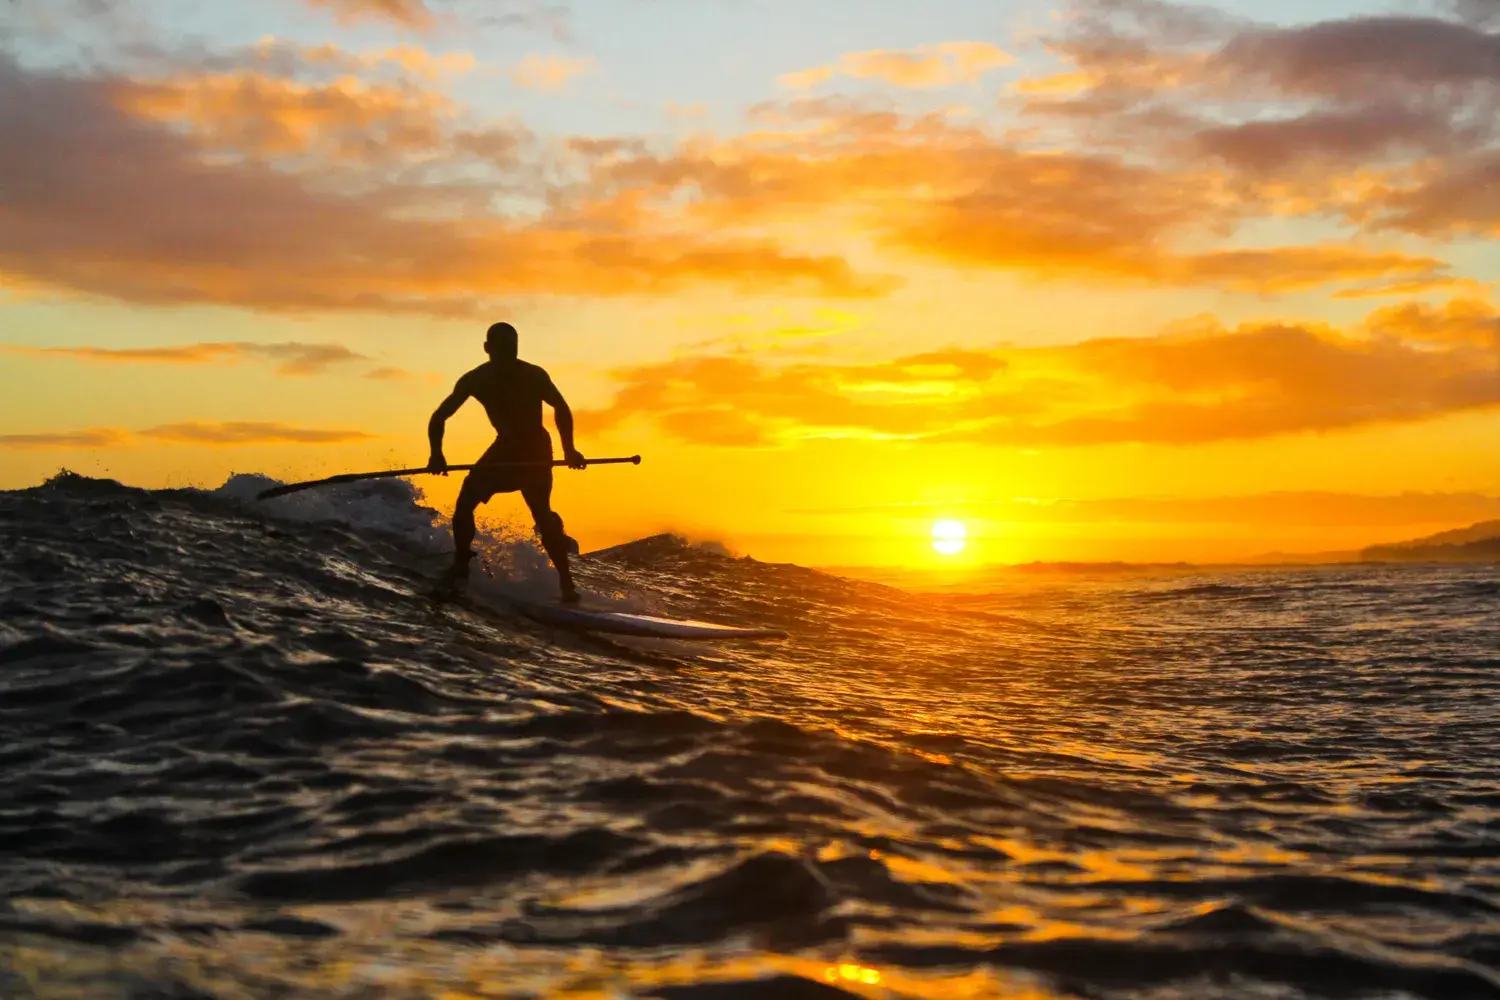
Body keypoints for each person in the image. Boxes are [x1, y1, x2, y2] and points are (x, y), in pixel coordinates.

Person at [427, 322, 588, 603]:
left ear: (516, 348)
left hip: (536, 448)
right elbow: (440, 416)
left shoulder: (534, 375)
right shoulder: (475, 380)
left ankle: (567, 584)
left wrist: (569, 450)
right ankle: (462, 565)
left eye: (510, 349)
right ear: (488, 349)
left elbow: (560, 406)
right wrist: (436, 454)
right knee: (466, 502)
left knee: (539, 510)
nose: (506, 355)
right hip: (506, 448)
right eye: (501, 349)